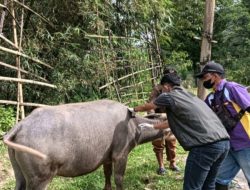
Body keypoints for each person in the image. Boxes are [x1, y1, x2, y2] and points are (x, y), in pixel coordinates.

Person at [129, 72, 230, 190]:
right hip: (224, 144)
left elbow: (149, 106)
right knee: (208, 185)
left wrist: (133, 109)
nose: (162, 91)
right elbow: (174, 122)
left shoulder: (169, 96)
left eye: (162, 89)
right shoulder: (190, 97)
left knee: (191, 187)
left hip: (205, 146)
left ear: (166, 86)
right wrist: (152, 127)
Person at [196, 61, 250, 190]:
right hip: (228, 145)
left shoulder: (231, 88)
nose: (203, 80)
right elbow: (201, 116)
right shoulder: (211, 98)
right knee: (220, 178)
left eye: (205, 76)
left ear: (215, 75)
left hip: (246, 142)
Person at [147, 68, 179, 174]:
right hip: (159, 119)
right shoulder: (157, 89)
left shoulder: (177, 89)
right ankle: (161, 166)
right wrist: (153, 117)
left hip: (171, 119)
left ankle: (172, 163)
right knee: (158, 143)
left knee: (172, 142)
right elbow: (150, 104)